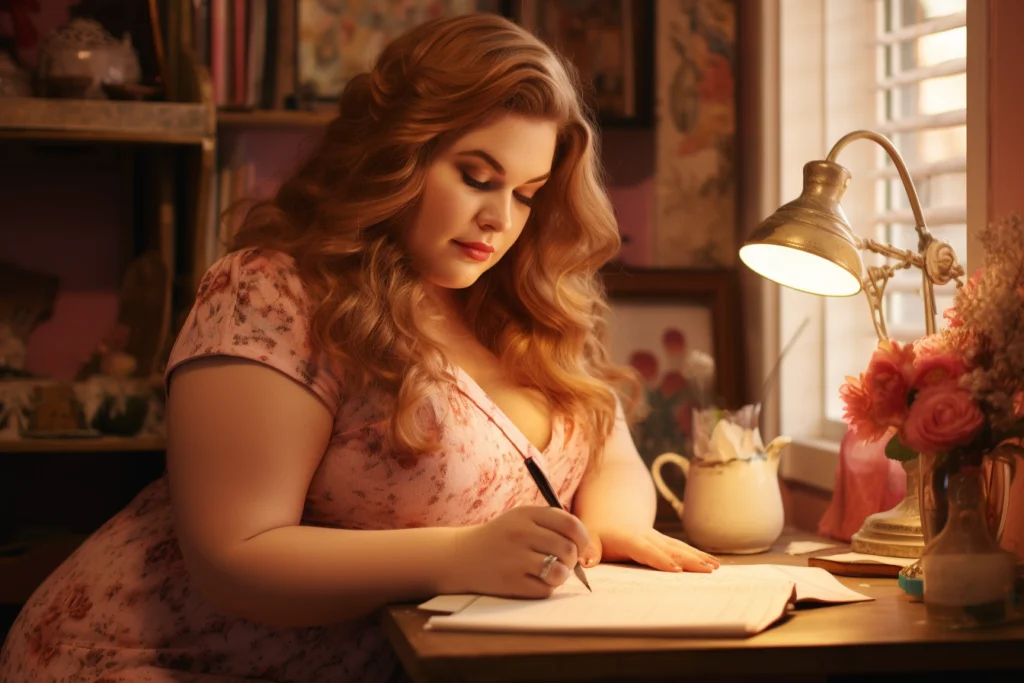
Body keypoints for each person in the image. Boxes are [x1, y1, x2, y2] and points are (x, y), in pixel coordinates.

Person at [0, 13, 720, 683]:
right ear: (395, 154)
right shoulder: (276, 292)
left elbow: (607, 451)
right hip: (144, 657)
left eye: (528, 192)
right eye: (476, 176)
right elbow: (233, 558)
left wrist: (615, 527)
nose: (500, 219)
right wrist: (461, 555)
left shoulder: (529, 305)